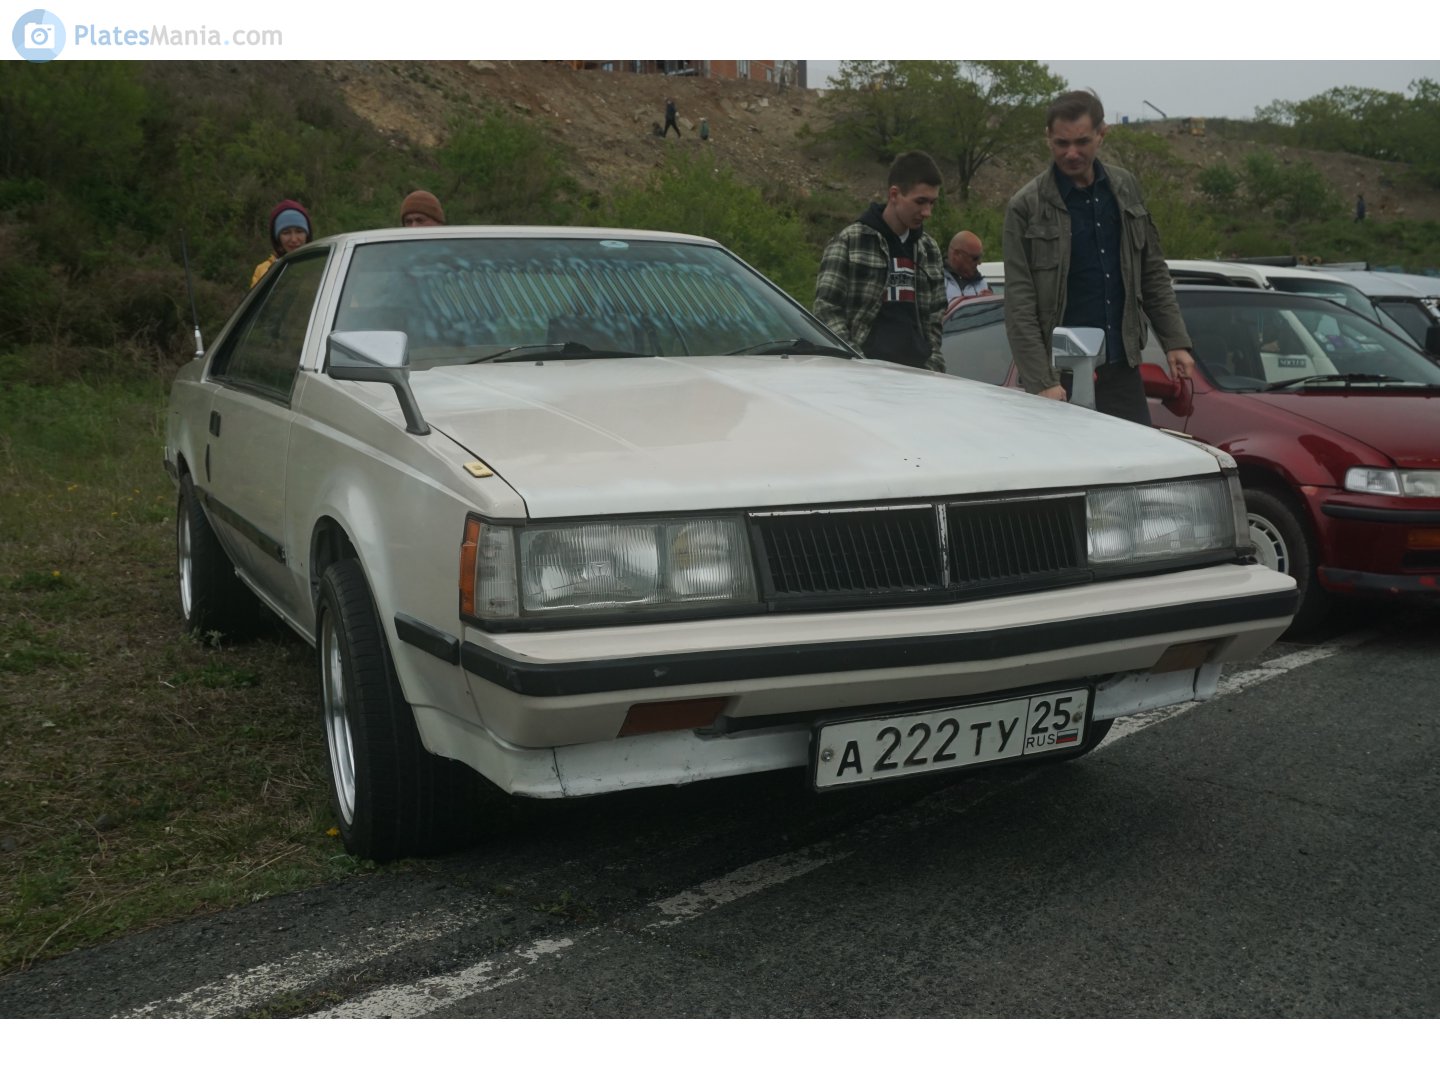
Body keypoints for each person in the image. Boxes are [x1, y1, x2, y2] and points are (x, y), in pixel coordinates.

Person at [1002, 89, 1194, 425]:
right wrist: (1042, 381)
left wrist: (1175, 340)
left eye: (1082, 142)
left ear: (1102, 134)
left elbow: (1151, 271)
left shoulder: (1125, 188)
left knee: (1136, 470)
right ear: (1048, 138)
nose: (1072, 153)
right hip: (1060, 378)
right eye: (1062, 143)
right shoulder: (1026, 207)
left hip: (1121, 370)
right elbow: (1020, 302)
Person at [814, 150, 946, 371]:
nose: (927, 212)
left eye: (932, 203)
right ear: (894, 194)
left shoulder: (929, 250)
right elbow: (825, 309)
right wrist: (855, 360)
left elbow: (936, 316)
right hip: (862, 375)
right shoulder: (850, 241)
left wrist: (933, 363)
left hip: (918, 378)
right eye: (920, 201)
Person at [250, 199, 313, 288]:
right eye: (286, 233)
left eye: (299, 231)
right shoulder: (263, 271)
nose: (294, 239)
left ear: (307, 235)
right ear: (277, 238)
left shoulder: (324, 263)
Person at [943, 230, 993, 316]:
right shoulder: (935, 281)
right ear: (956, 255)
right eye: (975, 258)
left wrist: (990, 303)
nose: (979, 262)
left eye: (980, 257)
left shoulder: (983, 285)